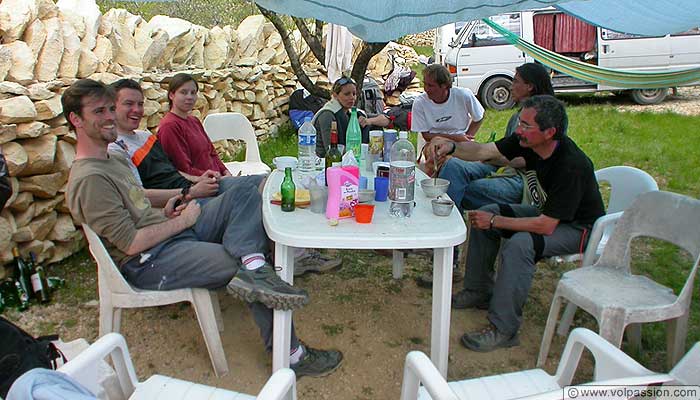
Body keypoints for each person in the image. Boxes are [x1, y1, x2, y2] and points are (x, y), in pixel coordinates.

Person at [63, 79, 343, 377]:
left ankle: (254, 263)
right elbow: (130, 243)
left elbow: (137, 201)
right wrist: (181, 221)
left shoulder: (112, 157)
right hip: (148, 259)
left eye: (109, 108)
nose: (109, 116)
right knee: (246, 266)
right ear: (76, 119)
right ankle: (292, 355)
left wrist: (177, 201)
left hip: (170, 227)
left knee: (245, 192)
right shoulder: (89, 178)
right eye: (99, 111)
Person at [107, 78, 342, 275]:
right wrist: (191, 189)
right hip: (182, 202)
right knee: (249, 194)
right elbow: (140, 194)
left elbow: (175, 169)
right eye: (128, 104)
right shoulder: (120, 148)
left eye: (140, 104)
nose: (137, 110)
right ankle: (267, 258)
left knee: (266, 183)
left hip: (195, 185)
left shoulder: (143, 135)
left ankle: (285, 252)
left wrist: (210, 177)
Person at [428, 95, 604, 352]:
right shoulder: (527, 142)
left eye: (526, 125)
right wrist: (452, 148)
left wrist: (496, 221)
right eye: (519, 122)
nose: (518, 129)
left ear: (549, 132)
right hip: (547, 214)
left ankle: (504, 328)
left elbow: (545, 227)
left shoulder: (571, 165)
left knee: (520, 244)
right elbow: (483, 151)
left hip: (579, 229)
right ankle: (479, 290)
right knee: (485, 213)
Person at [440, 63, 554, 213]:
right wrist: (453, 147)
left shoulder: (546, 118)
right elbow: (497, 149)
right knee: (453, 166)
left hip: (527, 179)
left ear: (530, 86)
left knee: (467, 189)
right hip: (503, 165)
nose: (511, 86)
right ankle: (445, 223)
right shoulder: (517, 117)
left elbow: (522, 161)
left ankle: (450, 224)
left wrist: (489, 157)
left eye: (515, 81)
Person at [157, 73, 230, 177]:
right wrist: (215, 176)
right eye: (183, 92)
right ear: (171, 95)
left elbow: (212, 153)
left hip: (219, 178)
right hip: (202, 185)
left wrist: (225, 171)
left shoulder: (194, 121)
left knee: (259, 182)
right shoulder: (169, 126)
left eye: (193, 93)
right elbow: (183, 169)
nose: (189, 97)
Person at [313, 76, 390, 158]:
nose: (352, 98)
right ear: (335, 95)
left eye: (354, 94)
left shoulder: (353, 113)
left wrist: (368, 121)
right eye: (347, 94)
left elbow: (386, 120)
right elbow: (331, 150)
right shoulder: (327, 115)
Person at [411, 64, 485, 145]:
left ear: (444, 86)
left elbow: (479, 117)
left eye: (431, 86)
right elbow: (426, 136)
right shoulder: (420, 103)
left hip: (461, 140)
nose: (426, 89)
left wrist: (467, 136)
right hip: (433, 142)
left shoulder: (463, 95)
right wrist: (456, 138)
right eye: (425, 84)